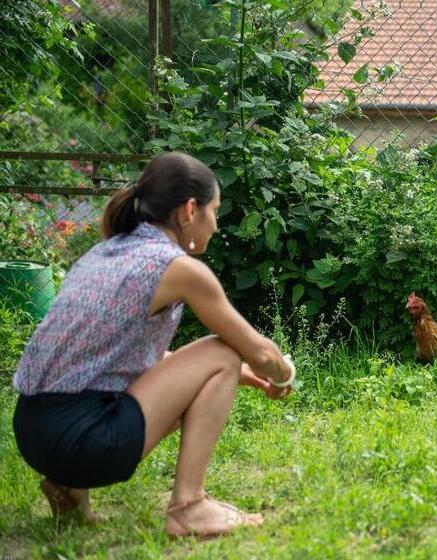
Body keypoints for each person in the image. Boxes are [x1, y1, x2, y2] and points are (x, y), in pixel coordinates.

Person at [12, 152, 295, 538]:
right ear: (190, 210)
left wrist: (238, 376)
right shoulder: (176, 268)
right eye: (214, 211)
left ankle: (68, 486)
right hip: (81, 441)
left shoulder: (108, 250)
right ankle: (189, 507)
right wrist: (283, 373)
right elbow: (259, 352)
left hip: (33, 431)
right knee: (223, 351)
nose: (215, 225)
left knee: (224, 363)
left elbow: (113, 356)